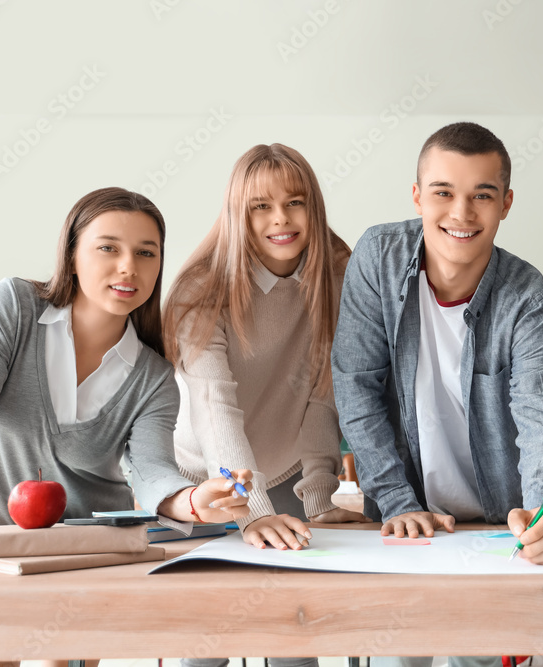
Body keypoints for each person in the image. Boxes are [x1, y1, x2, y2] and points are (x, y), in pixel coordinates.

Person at [0, 187, 252, 667]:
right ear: (72, 254)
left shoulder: (154, 377)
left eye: (146, 253)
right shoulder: (14, 309)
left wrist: (192, 500)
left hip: (81, 564)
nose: (129, 267)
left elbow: (150, 471)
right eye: (109, 247)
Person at [332, 121, 543, 667]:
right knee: (398, 654)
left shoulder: (531, 301)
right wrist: (397, 501)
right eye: (443, 193)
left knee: (484, 657)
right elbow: (356, 385)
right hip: (406, 517)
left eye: (481, 196)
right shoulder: (378, 257)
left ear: (506, 203)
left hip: (498, 527)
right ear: (418, 195)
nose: (461, 214)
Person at [165, 144, 367, 667]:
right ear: (239, 214)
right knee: (207, 642)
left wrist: (321, 497)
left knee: (294, 635)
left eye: (295, 202)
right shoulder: (201, 290)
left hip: (288, 472)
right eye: (261, 206)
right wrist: (249, 512)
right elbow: (216, 409)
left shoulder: (341, 276)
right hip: (205, 480)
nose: (281, 218)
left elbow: (325, 393)